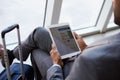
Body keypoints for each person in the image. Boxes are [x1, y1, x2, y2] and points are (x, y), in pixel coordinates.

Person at [47, 0, 120, 80]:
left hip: (70, 71)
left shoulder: (90, 60)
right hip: (83, 62)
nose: (112, 1)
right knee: (39, 32)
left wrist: (56, 64)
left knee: (37, 50)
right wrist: (85, 48)